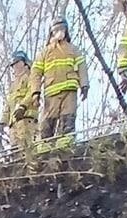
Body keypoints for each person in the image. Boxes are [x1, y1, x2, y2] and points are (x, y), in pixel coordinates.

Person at [32, 18, 88, 150]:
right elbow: (35, 73)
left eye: (62, 29)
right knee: (48, 120)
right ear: (51, 32)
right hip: (51, 91)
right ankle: (45, 145)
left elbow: (82, 67)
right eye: (57, 29)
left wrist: (84, 84)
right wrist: (35, 92)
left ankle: (66, 145)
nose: (60, 32)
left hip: (70, 89)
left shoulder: (73, 50)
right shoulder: (45, 53)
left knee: (68, 117)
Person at [2, 50, 39, 153]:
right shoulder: (13, 85)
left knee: (26, 148)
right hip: (13, 123)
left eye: (18, 62)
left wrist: (22, 106)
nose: (16, 66)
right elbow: (8, 103)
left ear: (24, 62)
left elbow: (32, 92)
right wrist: (3, 120)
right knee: (15, 150)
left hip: (26, 118)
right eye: (14, 64)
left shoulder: (30, 77)